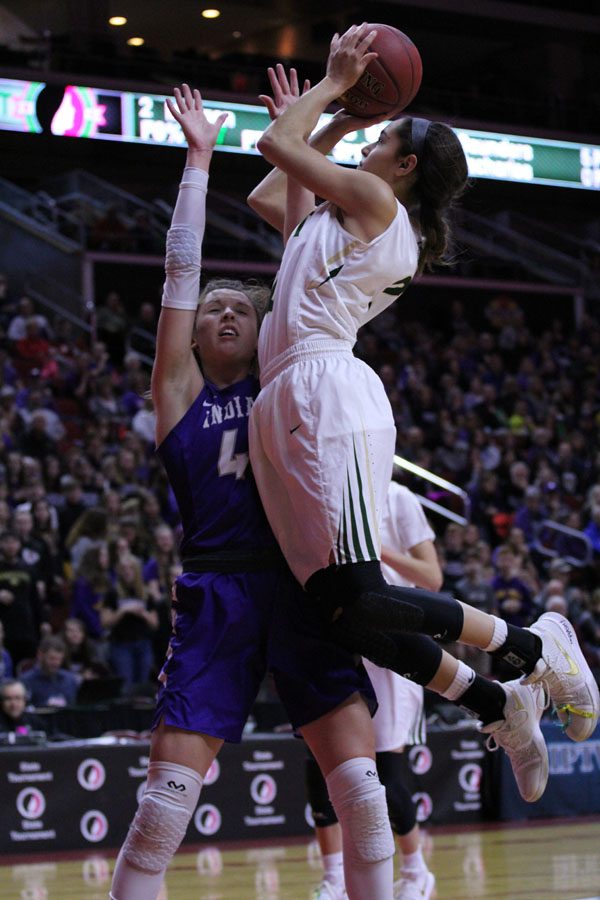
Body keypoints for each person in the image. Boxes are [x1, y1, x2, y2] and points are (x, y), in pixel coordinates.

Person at [246, 34, 598, 801]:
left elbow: (276, 143)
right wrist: (330, 126)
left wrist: (332, 89)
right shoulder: (341, 213)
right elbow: (269, 194)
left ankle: (538, 646)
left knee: (363, 592)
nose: (369, 141)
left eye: (380, 138)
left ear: (404, 168)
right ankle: (494, 699)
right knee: (338, 613)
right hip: (284, 392)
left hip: (323, 390)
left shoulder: (375, 204)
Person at [110, 84, 397, 900]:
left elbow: (301, 243)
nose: (229, 309)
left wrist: (323, 128)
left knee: (363, 799)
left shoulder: (283, 370)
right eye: (215, 308)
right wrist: (198, 161)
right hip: (217, 589)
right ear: (195, 334)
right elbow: (181, 270)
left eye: (243, 304)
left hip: (302, 579)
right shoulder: (178, 395)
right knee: (163, 808)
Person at [308, 481, 440, 900]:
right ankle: (333, 880)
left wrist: (372, 552)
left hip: (392, 643)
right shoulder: (323, 490)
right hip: (337, 639)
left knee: (385, 771)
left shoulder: (397, 497)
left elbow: (432, 577)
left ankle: (417, 872)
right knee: (320, 765)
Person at [21, 635, 79, 707]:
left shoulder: (70, 679)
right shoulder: (26, 680)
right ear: (40, 655)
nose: (56, 663)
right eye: (52, 658)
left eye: (59, 659)